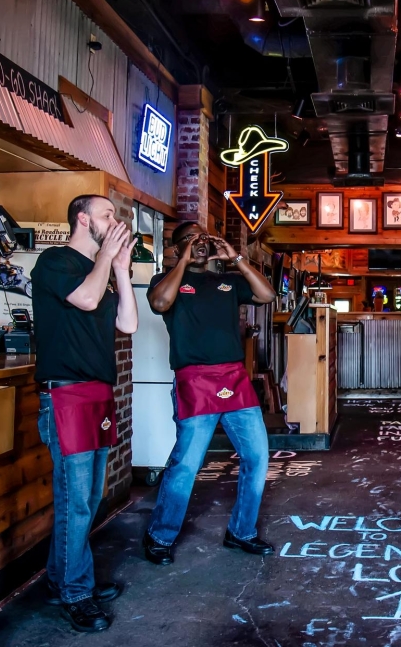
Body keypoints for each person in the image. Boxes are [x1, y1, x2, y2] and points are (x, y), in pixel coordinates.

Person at [30, 194, 138, 632]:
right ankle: (76, 592)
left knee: (90, 498)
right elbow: (88, 301)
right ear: (82, 219)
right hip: (66, 394)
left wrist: (121, 271)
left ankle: (61, 579)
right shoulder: (55, 261)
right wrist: (106, 259)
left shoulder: (104, 272)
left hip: (98, 395)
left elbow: (128, 323)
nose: (114, 221)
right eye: (107, 214)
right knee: (76, 502)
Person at [142, 222, 277, 565]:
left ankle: (241, 532)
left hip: (234, 377)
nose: (199, 243)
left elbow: (267, 295)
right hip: (195, 379)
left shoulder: (229, 282)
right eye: (189, 239)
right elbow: (159, 304)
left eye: (203, 238)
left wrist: (238, 259)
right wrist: (182, 262)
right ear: (177, 248)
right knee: (187, 464)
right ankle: (160, 535)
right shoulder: (167, 280)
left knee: (258, 457)